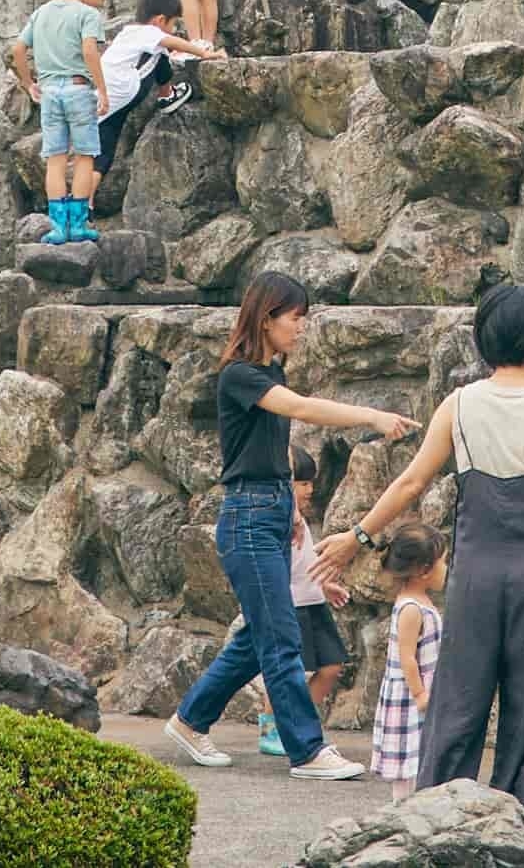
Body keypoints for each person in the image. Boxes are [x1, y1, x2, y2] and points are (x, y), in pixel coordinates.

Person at [311, 283, 524, 824]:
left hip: (474, 578)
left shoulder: (459, 404)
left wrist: (356, 537)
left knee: (457, 706)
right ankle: (515, 834)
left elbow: (409, 484)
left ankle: (432, 828)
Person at [167, 273, 417, 783]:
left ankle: (189, 721)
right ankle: (306, 750)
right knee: (281, 639)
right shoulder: (240, 375)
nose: (302, 328)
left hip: (272, 513)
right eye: (295, 318)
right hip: (248, 518)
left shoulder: (269, 371)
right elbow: (301, 409)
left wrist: (295, 515)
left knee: (257, 637)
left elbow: (275, 449)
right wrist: (371, 416)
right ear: (267, 318)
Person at [250, 447, 350, 759]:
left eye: (310, 483)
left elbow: (304, 564)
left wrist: (324, 584)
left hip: (312, 603)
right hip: (290, 604)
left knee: (331, 666)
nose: (309, 489)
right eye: (301, 482)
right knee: (286, 670)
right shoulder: (276, 522)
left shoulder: (300, 523)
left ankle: (298, 724)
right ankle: (272, 729)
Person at [8, 0, 113, 247]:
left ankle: (57, 228)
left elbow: (18, 49)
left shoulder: (41, 13)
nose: (98, 5)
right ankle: (78, 227)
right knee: (84, 156)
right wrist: (102, 90)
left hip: (50, 92)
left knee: (54, 160)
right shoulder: (86, 15)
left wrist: (29, 83)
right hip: (79, 90)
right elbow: (90, 50)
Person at [88, 0, 223, 205]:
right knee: (161, 53)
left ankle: (85, 205)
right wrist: (205, 54)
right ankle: (167, 95)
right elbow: (171, 43)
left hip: (103, 104)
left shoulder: (127, 32)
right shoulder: (149, 32)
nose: (173, 30)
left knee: (101, 157)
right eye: (173, 24)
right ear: (160, 20)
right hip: (126, 90)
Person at [370, 524, 447, 802]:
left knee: (421, 757)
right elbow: (407, 658)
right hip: (411, 698)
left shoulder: (421, 601)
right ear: (424, 570)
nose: (446, 568)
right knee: (408, 763)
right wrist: (420, 694)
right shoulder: (411, 608)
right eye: (443, 562)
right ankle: (402, 810)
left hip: (422, 694)